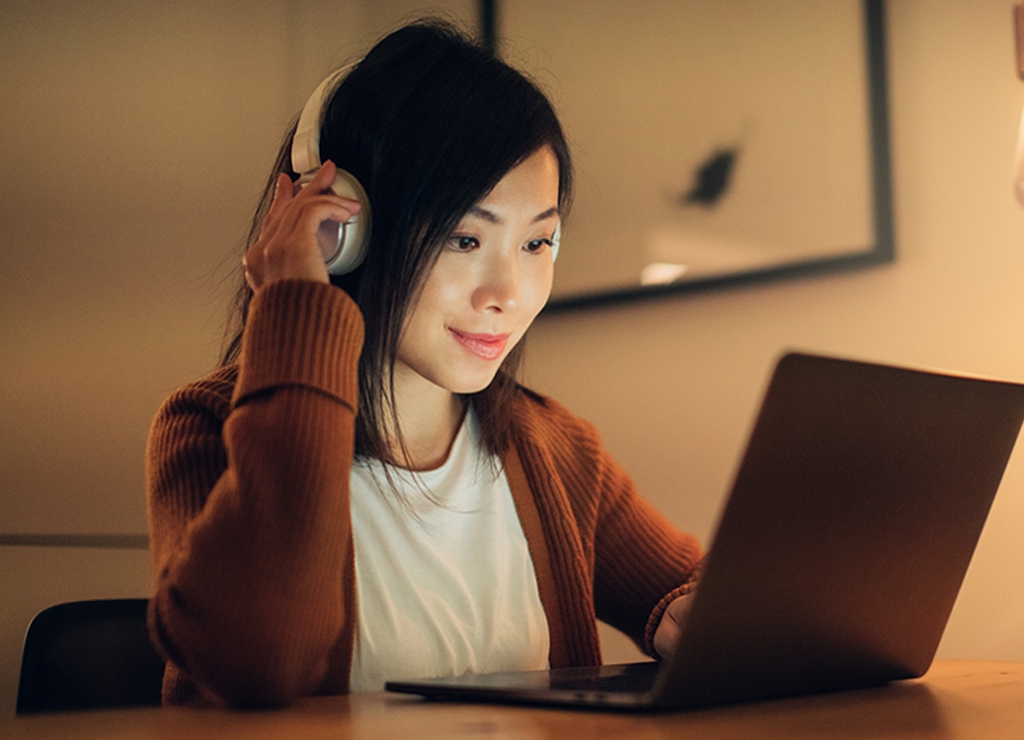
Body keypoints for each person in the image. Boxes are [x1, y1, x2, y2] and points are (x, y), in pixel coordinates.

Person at [144, 19, 702, 708]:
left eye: (537, 243)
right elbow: (261, 663)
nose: (506, 295)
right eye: (465, 238)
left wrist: (691, 613)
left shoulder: (555, 451)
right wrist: (293, 302)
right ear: (346, 230)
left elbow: (693, 590)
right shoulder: (203, 427)